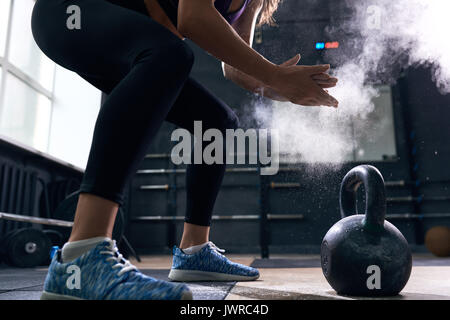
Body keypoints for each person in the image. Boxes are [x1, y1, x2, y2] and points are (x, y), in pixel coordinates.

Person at [31, 0, 339, 300]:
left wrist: (283, 89)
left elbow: (235, 68)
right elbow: (193, 17)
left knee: (215, 121)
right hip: (69, 12)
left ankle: (194, 252)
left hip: (132, 43)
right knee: (170, 54)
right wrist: (275, 75)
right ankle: (82, 256)